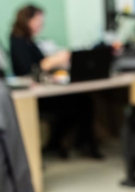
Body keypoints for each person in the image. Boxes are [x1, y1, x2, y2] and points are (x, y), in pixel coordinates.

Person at [10, 4, 103, 159]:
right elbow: (29, 69)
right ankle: (75, 143)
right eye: (38, 21)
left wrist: (58, 65)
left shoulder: (29, 41)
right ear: (27, 20)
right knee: (81, 103)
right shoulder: (18, 41)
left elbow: (40, 65)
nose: (41, 25)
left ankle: (62, 142)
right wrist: (55, 60)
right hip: (31, 95)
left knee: (82, 100)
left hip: (41, 90)